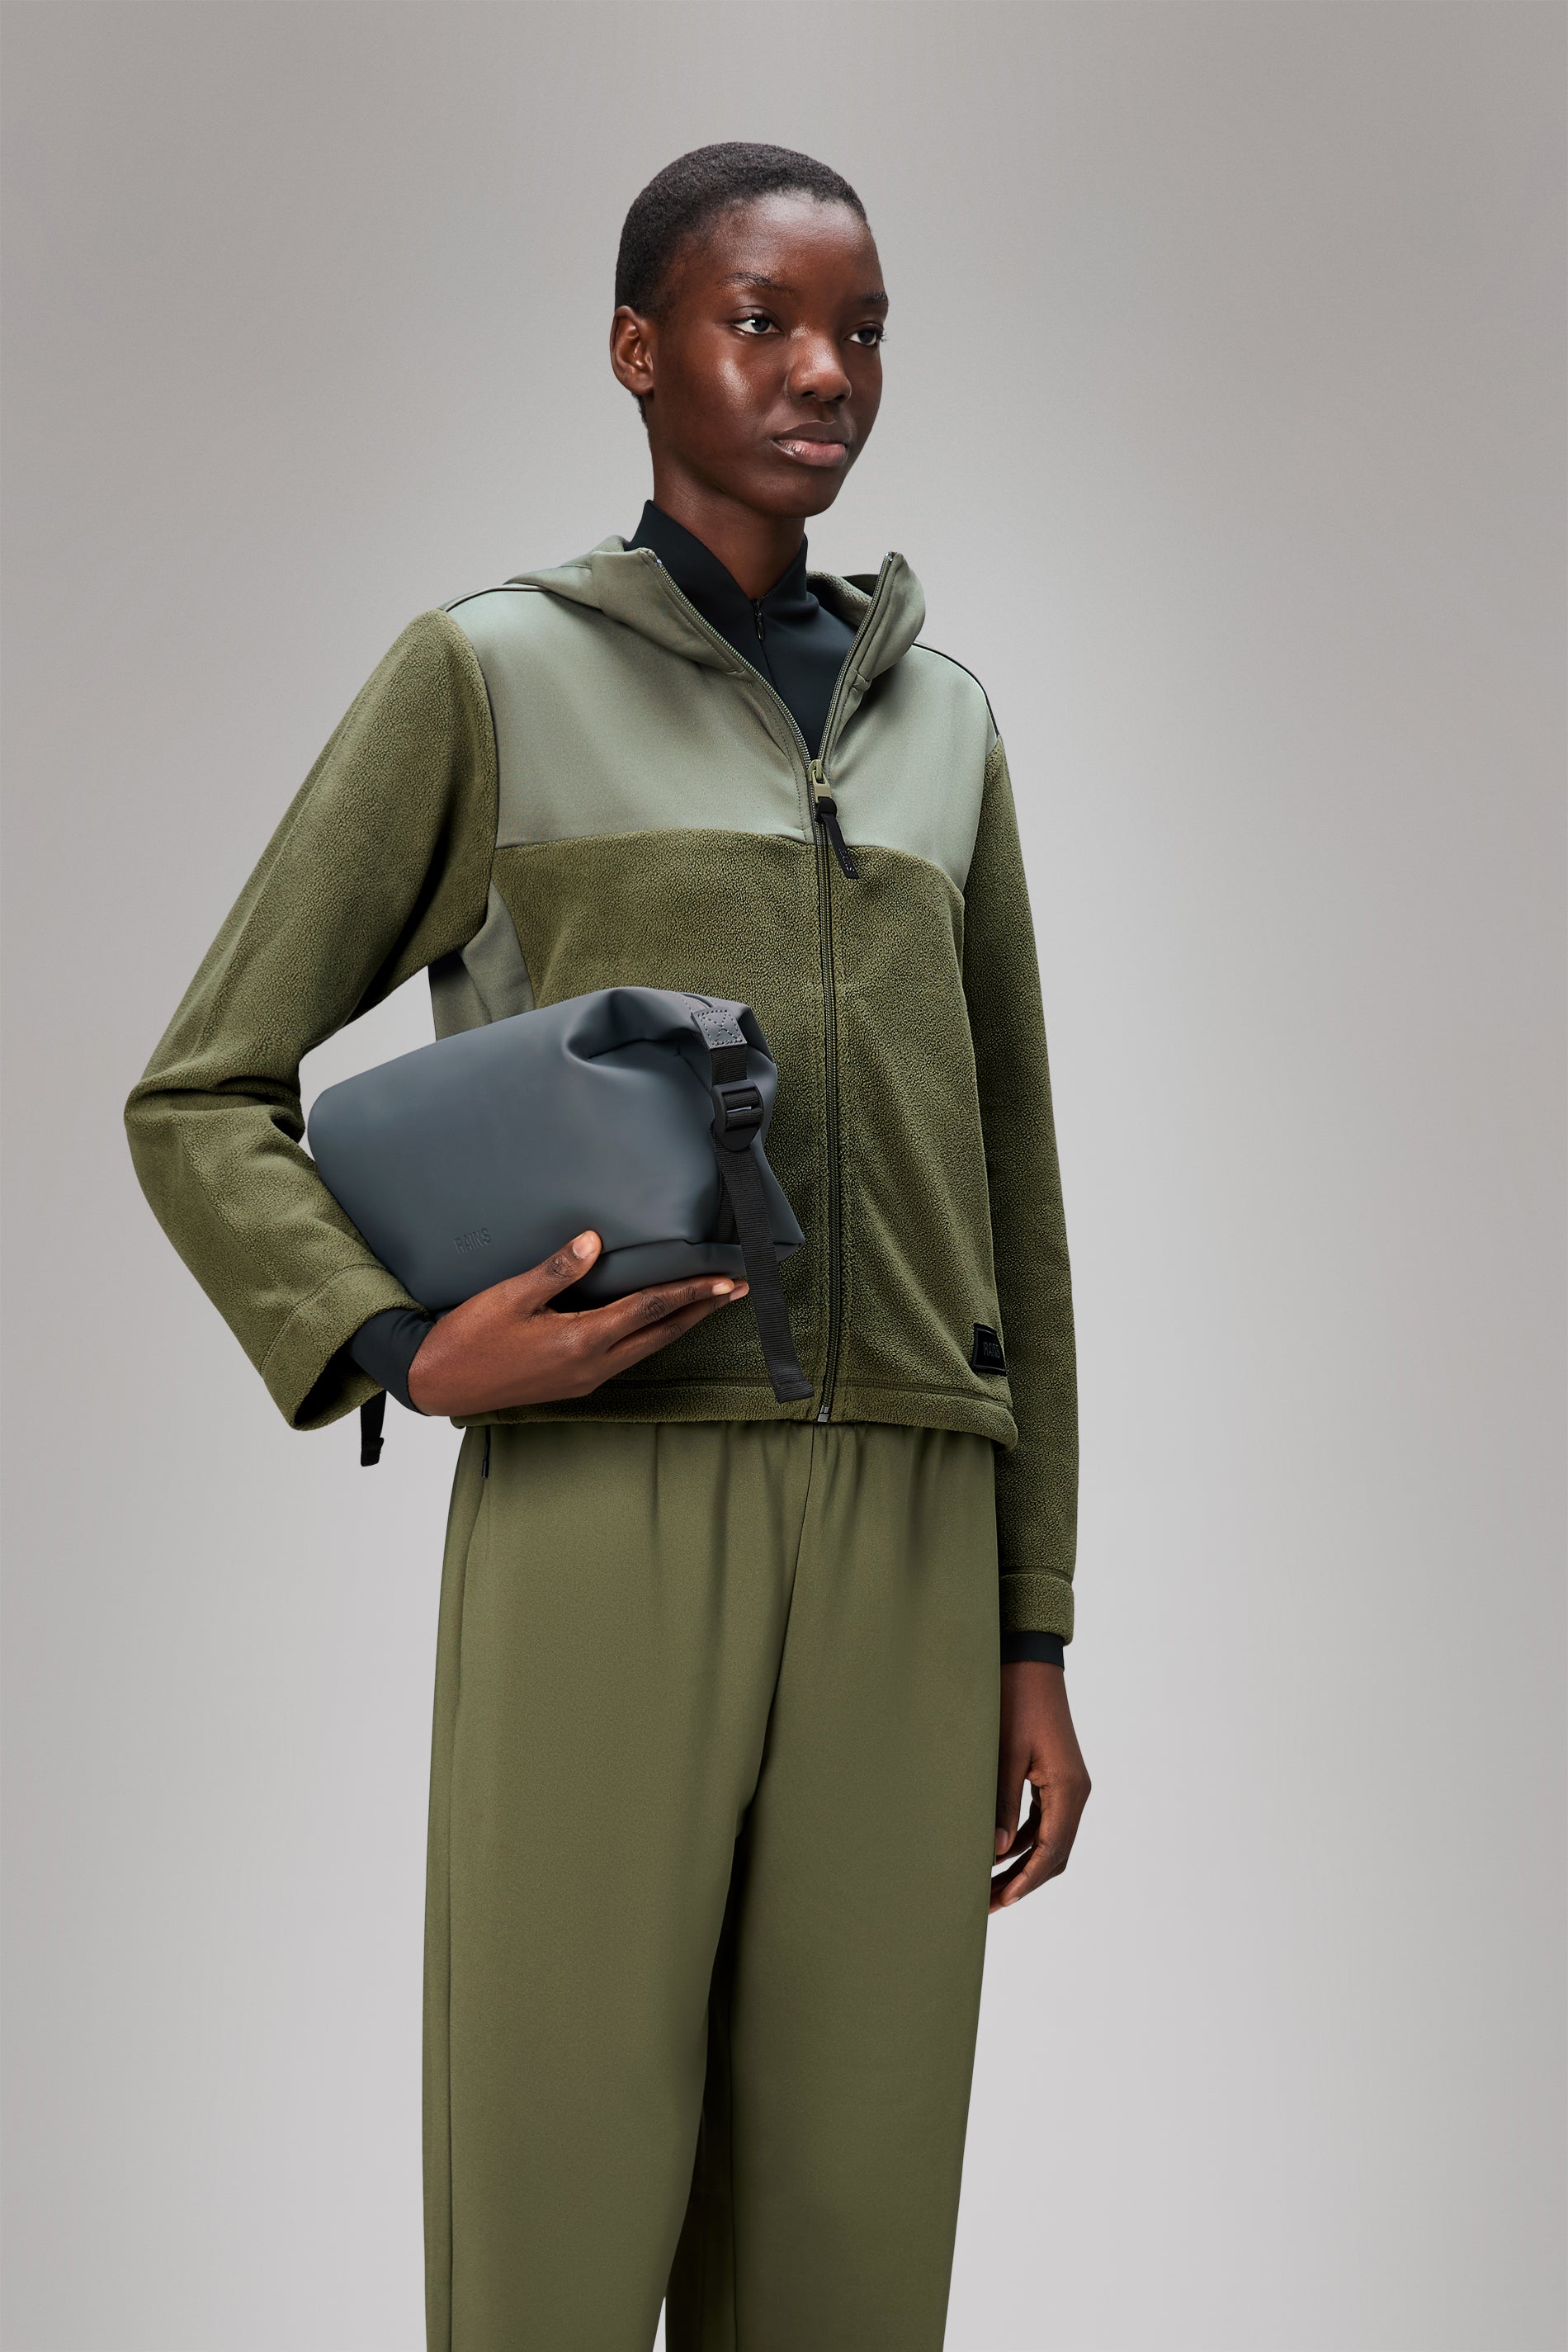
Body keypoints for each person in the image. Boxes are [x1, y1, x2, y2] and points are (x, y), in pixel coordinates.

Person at [125, 141, 1091, 2352]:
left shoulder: (947, 725)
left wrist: (1031, 1624)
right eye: (763, 321)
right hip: (606, 1486)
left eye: (859, 331)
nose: (823, 371)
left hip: (913, 1526)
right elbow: (200, 1087)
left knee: (853, 2221)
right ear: (641, 351)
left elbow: (1014, 1175)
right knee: (553, 2187)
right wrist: (393, 1346)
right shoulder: (486, 672)